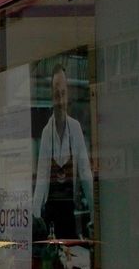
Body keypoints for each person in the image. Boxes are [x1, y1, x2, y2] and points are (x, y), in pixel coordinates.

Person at [32, 64, 94, 242]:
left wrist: (95, 214)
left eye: (63, 94)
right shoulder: (46, 133)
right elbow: (42, 178)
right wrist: (36, 218)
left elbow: (85, 173)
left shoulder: (75, 129)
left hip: (69, 212)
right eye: (56, 94)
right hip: (50, 213)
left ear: (67, 95)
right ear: (52, 98)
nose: (60, 100)